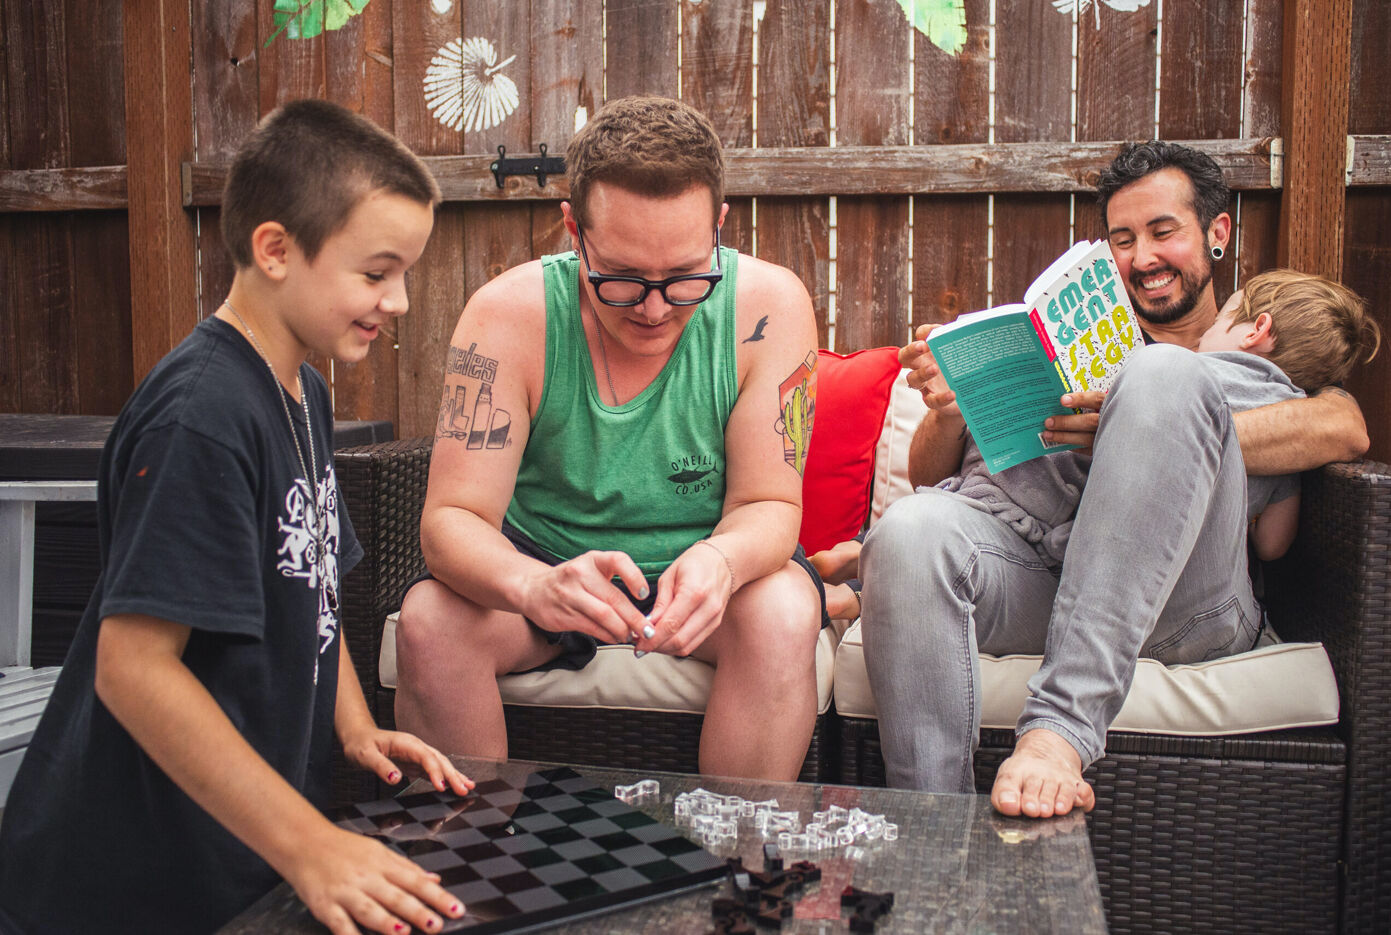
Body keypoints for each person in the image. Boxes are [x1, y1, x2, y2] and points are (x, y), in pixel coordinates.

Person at [0, 100, 475, 935]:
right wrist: (310, 845)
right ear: (275, 249)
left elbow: (317, 587)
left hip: (231, 853)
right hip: (124, 881)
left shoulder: (303, 390)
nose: (399, 300)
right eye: (376, 272)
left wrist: (356, 724)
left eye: (405, 274)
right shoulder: (202, 417)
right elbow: (135, 668)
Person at [861, 140, 1371, 819]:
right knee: (909, 530)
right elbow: (926, 476)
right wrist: (956, 403)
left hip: (1186, 600)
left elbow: (1347, 429)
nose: (1142, 258)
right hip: (1047, 575)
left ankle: (1059, 731)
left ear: (1216, 233)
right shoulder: (1073, 342)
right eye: (1122, 240)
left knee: (1163, 375)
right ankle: (933, 839)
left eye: (1163, 232)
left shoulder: (1248, 367)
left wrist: (1144, 431)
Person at [392, 96, 824, 782]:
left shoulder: (770, 306)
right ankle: (463, 871)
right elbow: (450, 523)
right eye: (621, 280)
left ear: (719, 225)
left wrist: (722, 561)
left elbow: (770, 504)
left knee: (783, 611)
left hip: (707, 568)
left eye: (687, 279)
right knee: (429, 622)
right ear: (573, 231)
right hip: (547, 564)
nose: (654, 309)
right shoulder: (507, 315)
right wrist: (532, 584)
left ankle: (739, 862)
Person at [1195, 269, 1380, 559]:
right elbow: (1271, 544)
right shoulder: (1292, 439)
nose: (1206, 332)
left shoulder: (1190, 371)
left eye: (1218, 322)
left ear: (1256, 330)